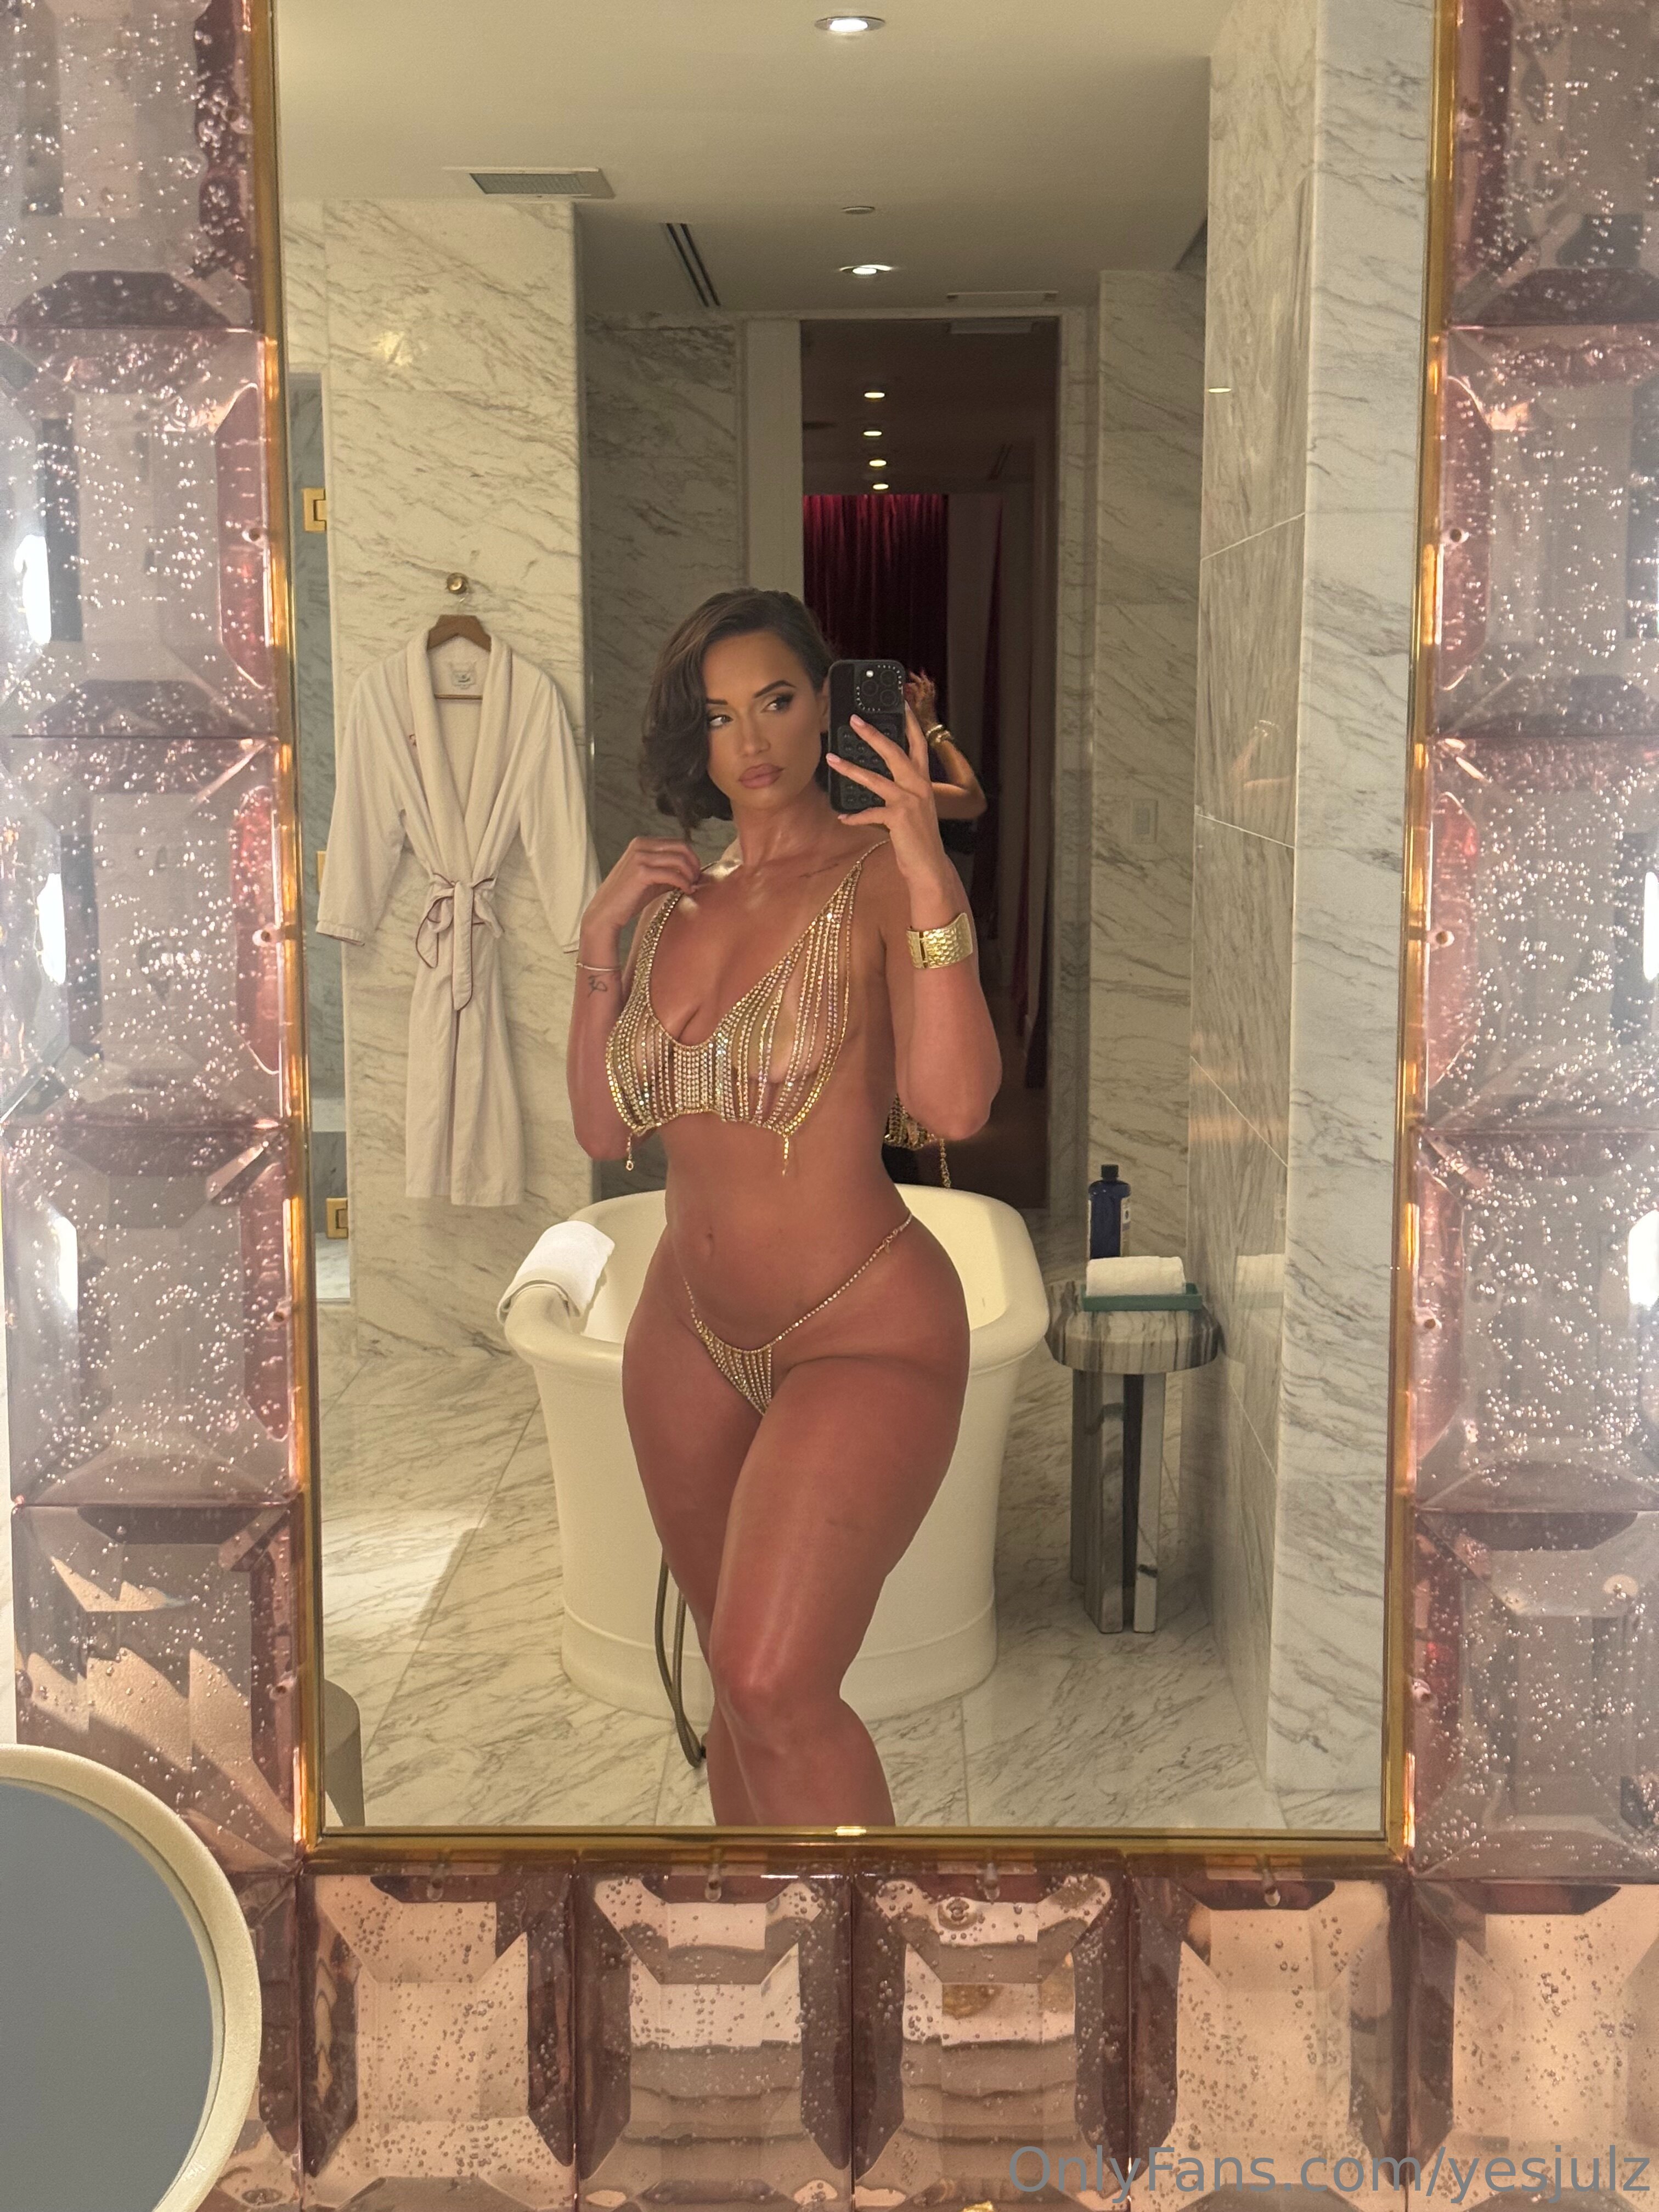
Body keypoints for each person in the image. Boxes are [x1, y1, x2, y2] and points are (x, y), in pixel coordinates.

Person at [566, 589, 1002, 1826]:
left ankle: (869, 1952)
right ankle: (762, 1931)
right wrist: (597, 941)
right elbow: (604, 1131)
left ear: (827, 706)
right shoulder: (671, 902)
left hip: (862, 1328)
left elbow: (955, 1105)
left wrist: (928, 869)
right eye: (718, 717)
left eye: (775, 700)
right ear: (691, 738)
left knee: (776, 1682)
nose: (751, 740)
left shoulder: (882, 878)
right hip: (685, 1330)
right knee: (735, 1688)